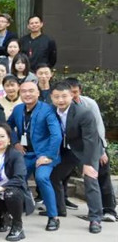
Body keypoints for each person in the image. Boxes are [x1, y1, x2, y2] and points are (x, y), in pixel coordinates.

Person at [7, 80, 62, 231]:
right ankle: (11, 213)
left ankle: (53, 217)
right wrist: (15, 142)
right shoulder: (18, 109)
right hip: (26, 153)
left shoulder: (48, 109)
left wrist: (49, 156)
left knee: (42, 178)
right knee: (15, 179)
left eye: (31, 91)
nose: (27, 94)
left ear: (38, 93)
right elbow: (8, 126)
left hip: (45, 154)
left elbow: (56, 135)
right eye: (24, 91)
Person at [49, 82, 103, 233]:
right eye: (56, 97)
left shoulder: (84, 113)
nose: (60, 100)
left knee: (90, 179)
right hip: (68, 150)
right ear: (51, 97)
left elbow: (90, 140)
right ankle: (60, 209)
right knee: (54, 176)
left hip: (87, 149)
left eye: (64, 96)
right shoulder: (51, 110)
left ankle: (95, 219)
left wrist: (88, 163)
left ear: (71, 96)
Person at [68, 78, 116, 222]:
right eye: (70, 92)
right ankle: (95, 211)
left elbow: (99, 127)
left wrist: (102, 150)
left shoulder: (89, 104)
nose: (72, 95)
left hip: (96, 145)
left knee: (102, 176)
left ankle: (109, 210)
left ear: (80, 91)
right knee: (89, 178)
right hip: (78, 148)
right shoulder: (65, 106)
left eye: (75, 92)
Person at [0, 122, 33, 241]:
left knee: (11, 193)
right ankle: (3, 217)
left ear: (9, 139)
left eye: (2, 136)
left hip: (13, 193)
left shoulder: (16, 155)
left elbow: (19, 178)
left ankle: (17, 226)